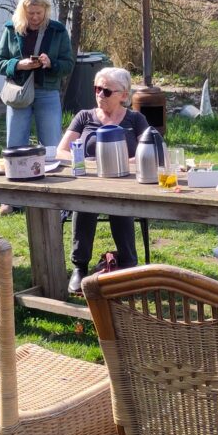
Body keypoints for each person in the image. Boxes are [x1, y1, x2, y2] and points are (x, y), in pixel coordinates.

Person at [56, 67, 148, 294]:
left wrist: (124, 163)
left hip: (124, 182)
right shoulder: (84, 117)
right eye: (97, 89)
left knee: (119, 204)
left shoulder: (135, 119)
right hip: (89, 182)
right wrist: (90, 165)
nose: (99, 95)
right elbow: (61, 151)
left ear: (123, 95)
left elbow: (151, 151)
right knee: (85, 204)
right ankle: (79, 267)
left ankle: (128, 265)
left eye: (106, 91)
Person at [0, 0, 74, 151]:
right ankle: (19, 176)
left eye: (39, 13)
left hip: (48, 92)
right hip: (19, 93)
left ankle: (54, 176)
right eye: (31, 13)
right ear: (23, 11)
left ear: (46, 10)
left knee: (52, 147)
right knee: (15, 147)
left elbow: (68, 64)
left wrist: (51, 64)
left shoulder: (57, 31)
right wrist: (18, 65)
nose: (35, 17)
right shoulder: (12, 30)